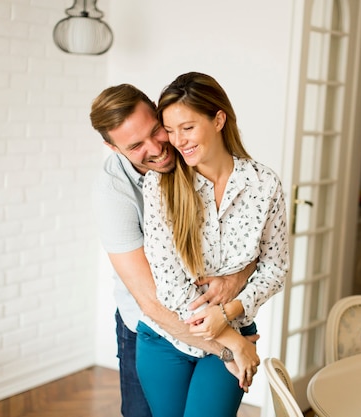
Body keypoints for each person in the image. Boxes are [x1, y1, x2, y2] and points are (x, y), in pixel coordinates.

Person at [89, 84, 259, 417]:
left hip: (214, 316)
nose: (157, 148)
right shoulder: (112, 193)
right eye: (136, 145)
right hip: (151, 326)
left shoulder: (195, 152)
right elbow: (150, 300)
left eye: (156, 131)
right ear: (112, 147)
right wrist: (228, 348)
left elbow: (250, 240)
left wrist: (235, 279)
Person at [136, 72, 289, 417]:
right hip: (166, 341)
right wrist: (229, 340)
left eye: (187, 128)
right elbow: (169, 283)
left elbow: (275, 267)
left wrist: (228, 313)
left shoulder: (263, 185)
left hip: (234, 327)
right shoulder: (160, 185)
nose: (177, 141)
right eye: (170, 130)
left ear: (218, 119)